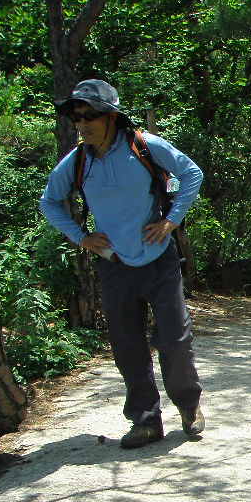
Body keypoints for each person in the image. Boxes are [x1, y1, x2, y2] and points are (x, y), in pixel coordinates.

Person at [39, 79, 205, 450]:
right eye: (77, 116)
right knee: (127, 344)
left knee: (174, 340)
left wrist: (171, 219)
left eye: (90, 115)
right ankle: (145, 422)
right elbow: (49, 202)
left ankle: (189, 406)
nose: (82, 123)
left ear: (112, 116)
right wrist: (81, 237)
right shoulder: (78, 161)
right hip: (113, 264)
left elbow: (191, 173)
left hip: (158, 259)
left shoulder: (144, 146)